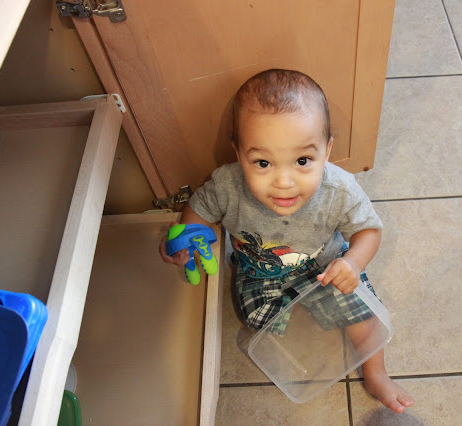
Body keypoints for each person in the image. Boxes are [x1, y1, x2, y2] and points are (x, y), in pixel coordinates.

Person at [159, 69, 415, 413]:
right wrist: (186, 238)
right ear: (239, 153)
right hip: (258, 271)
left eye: (302, 161)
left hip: (327, 265)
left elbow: (369, 231)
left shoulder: (340, 190)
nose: (284, 181)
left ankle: (376, 374)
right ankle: (300, 311)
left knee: (365, 316)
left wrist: (353, 262)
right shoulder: (227, 186)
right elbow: (199, 209)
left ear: (327, 150)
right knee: (253, 317)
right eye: (263, 162)